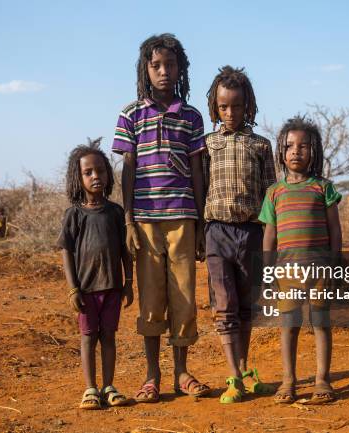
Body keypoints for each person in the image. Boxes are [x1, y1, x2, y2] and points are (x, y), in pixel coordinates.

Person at [112, 33, 210, 403]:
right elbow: (128, 170)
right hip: (146, 222)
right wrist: (128, 220)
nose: (164, 71)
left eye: (170, 65)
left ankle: (181, 372)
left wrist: (200, 223)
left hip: (184, 219)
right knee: (152, 300)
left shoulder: (191, 116)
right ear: (146, 69)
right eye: (156, 65)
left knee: (184, 299)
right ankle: (152, 375)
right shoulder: (131, 114)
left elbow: (199, 172)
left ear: (180, 68)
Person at [202, 66, 276, 403]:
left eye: (237, 106)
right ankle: (233, 377)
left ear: (249, 106)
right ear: (215, 107)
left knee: (247, 305)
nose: (230, 113)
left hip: (252, 234)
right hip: (216, 232)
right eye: (223, 107)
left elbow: (270, 195)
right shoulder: (207, 145)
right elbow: (200, 188)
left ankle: (245, 369)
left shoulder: (261, 145)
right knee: (225, 306)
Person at [258, 115, 342, 405]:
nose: (297, 151)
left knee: (320, 323)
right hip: (287, 272)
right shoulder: (274, 192)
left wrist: (335, 263)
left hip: (320, 270)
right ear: (281, 152)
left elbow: (334, 228)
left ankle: (322, 379)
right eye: (290, 146)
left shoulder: (323, 187)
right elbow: (269, 236)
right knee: (289, 325)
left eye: (304, 146)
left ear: (314, 152)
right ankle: (288, 380)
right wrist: (268, 274)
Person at [58, 143, 134, 410]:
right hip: (86, 290)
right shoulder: (74, 215)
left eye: (100, 170)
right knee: (88, 337)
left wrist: (128, 283)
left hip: (112, 287)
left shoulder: (115, 213)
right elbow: (66, 251)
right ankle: (90, 389)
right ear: (78, 178)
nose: (95, 176)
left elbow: (125, 251)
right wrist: (72, 289)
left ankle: (109, 386)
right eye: (88, 172)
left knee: (109, 336)